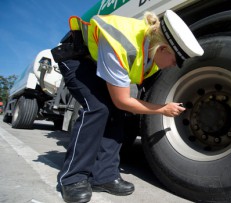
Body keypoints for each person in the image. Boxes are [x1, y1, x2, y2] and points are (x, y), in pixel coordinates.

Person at [55, 10, 204, 203]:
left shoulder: (153, 55)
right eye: (175, 60)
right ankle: (73, 178)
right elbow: (122, 100)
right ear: (163, 49)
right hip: (77, 58)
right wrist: (162, 109)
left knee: (117, 114)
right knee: (98, 108)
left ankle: (104, 176)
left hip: (98, 62)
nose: (174, 66)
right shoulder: (122, 43)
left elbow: (125, 102)